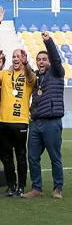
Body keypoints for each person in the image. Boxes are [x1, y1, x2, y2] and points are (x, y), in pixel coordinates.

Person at [24, 31, 64, 199]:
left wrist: (48, 42)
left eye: (44, 59)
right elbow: (27, 74)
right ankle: (37, 189)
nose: (41, 62)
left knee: (55, 157)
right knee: (32, 157)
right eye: (39, 59)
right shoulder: (37, 77)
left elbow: (56, 58)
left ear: (49, 62)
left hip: (52, 122)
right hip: (36, 123)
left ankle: (57, 189)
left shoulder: (56, 72)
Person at [0, 47, 36, 197]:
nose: (16, 59)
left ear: (23, 58)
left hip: (20, 122)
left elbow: (31, 76)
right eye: (14, 56)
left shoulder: (30, 76)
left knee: (20, 155)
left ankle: (21, 187)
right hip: (3, 121)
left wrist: (27, 64)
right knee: (6, 156)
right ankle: (11, 186)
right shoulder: (5, 74)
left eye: (19, 56)